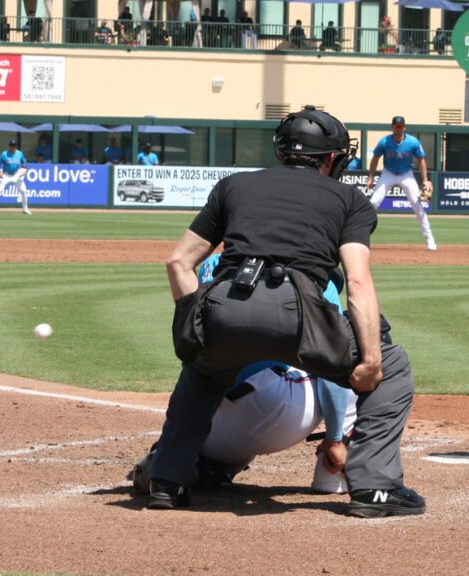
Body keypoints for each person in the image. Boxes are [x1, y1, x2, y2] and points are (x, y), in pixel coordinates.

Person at [144, 105, 423, 518]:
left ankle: (167, 482)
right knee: (393, 367)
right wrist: (370, 361)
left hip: (226, 304)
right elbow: (358, 283)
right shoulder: (350, 199)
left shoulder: (233, 185)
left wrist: (194, 327)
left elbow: (178, 263)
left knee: (204, 371)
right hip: (300, 314)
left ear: (281, 152)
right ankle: (375, 489)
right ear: (330, 158)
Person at [131, 254, 362, 497]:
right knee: (359, 342)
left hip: (206, 424)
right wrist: (335, 438)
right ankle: (332, 473)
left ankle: (182, 461)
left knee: (213, 370)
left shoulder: (214, 263)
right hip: (277, 414)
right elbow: (331, 361)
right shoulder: (313, 270)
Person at [366, 116, 436, 251]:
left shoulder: (412, 142)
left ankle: (429, 238)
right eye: (396, 126)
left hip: (406, 174)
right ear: (392, 127)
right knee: (373, 203)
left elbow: (421, 159)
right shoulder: (385, 141)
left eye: (400, 126)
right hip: (388, 173)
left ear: (404, 127)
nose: (398, 128)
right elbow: (375, 158)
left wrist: (425, 179)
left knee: (417, 205)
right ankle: (361, 236)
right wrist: (371, 177)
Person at [0, 139, 31, 215]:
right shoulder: (4, 154)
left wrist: (24, 167)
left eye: (14, 146)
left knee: (23, 191)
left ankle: (25, 209)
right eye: (12, 146)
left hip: (16, 174)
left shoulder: (20, 154)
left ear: (16, 146)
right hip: (6, 174)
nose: (13, 147)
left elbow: (24, 163)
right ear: (9, 146)